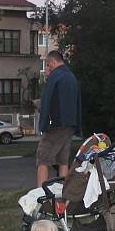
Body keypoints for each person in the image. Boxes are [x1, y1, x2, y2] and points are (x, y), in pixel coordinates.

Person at [35, 50, 81, 187]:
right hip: (70, 124)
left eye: (48, 65)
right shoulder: (71, 77)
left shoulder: (55, 76)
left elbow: (47, 101)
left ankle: (41, 194)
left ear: (53, 62)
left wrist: (44, 122)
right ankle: (63, 193)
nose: (47, 69)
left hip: (55, 125)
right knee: (63, 160)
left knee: (42, 159)